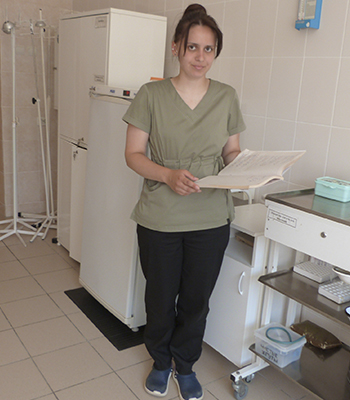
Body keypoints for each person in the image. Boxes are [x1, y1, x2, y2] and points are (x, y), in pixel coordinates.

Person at [123, 4, 246, 400]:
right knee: (160, 299)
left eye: (208, 49)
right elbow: (133, 155)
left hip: (210, 217)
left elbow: (231, 153)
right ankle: (161, 362)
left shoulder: (226, 96)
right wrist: (167, 175)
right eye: (192, 47)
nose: (200, 57)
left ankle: (186, 364)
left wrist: (253, 169)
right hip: (160, 216)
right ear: (176, 47)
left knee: (196, 301)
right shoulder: (151, 95)